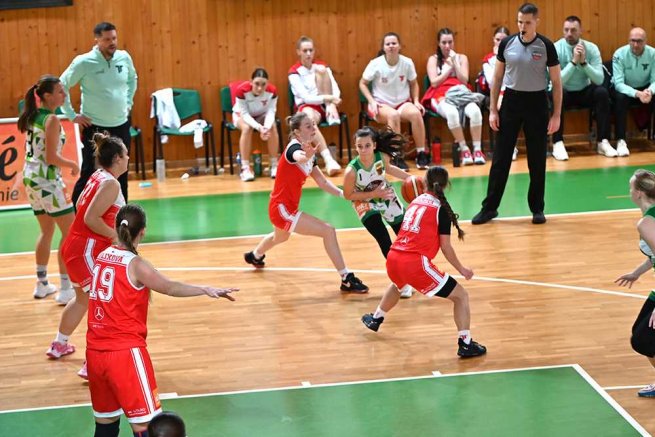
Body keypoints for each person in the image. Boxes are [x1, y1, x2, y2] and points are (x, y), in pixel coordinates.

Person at [87, 204, 237, 437]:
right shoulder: (136, 265)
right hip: (125, 355)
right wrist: (205, 289)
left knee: (105, 425)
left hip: (95, 354)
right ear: (143, 232)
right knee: (145, 428)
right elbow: (169, 287)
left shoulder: (101, 256)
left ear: (116, 228)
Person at [361, 166, 486, 358]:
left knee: (399, 284)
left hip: (394, 257)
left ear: (424, 183)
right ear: (446, 185)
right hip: (414, 262)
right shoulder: (440, 208)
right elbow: (446, 247)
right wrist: (462, 269)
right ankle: (466, 343)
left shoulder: (415, 201)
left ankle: (376, 317)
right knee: (461, 296)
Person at [244, 112, 368, 293]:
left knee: (280, 237)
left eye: (314, 125)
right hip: (282, 209)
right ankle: (346, 278)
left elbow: (323, 182)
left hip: (282, 207)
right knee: (328, 231)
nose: (313, 129)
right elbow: (298, 157)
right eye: (308, 126)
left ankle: (255, 255)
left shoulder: (309, 152)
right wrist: (305, 156)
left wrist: (346, 195)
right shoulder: (293, 149)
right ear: (297, 132)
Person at [46, 133, 128, 381]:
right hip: (87, 251)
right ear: (116, 158)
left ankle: (60, 344)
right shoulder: (111, 184)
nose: (128, 159)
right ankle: (90, 362)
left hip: (75, 246)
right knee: (104, 304)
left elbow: (81, 209)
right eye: (125, 155)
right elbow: (91, 219)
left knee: (83, 300)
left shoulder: (97, 176)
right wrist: (116, 236)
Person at [472, 3, 561, 226]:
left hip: (537, 103)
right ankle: (489, 208)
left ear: (536, 22)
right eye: (520, 22)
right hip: (511, 102)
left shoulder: (546, 46)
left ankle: (537, 208)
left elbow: (557, 83)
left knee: (537, 158)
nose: (523, 26)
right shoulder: (507, 44)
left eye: (527, 22)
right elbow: (497, 79)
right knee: (501, 158)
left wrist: (556, 115)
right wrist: (493, 109)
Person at [17, 76, 79, 304]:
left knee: (47, 231)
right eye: (60, 91)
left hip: (31, 178)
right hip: (47, 181)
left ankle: (42, 283)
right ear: (47, 96)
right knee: (70, 233)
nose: (64, 95)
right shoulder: (51, 119)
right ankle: (65, 287)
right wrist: (72, 164)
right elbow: (51, 157)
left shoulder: (34, 115)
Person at [60, 21, 137, 205]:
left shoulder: (124, 57)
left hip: (121, 124)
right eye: (107, 39)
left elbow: (132, 78)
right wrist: (71, 115)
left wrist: (128, 102)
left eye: (114, 38)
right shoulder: (84, 62)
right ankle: (77, 216)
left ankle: (120, 218)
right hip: (95, 127)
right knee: (90, 172)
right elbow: (62, 84)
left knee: (122, 172)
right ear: (97, 40)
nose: (112, 43)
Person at [343, 126, 413, 297]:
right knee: (383, 239)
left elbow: (389, 169)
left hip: (384, 194)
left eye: (367, 145)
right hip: (363, 201)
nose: (363, 150)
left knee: (404, 236)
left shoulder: (381, 157)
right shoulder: (351, 171)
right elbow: (348, 195)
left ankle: (412, 271)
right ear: (355, 147)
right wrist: (373, 194)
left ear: (374, 145)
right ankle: (401, 282)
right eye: (360, 146)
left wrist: (410, 178)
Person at [360, 32, 428, 171]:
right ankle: (397, 156)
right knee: (393, 115)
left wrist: (416, 100)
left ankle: (421, 153)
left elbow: (414, 83)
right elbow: (362, 83)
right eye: (388, 44)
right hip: (381, 103)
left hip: (402, 102)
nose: (391, 46)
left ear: (399, 46)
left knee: (416, 113)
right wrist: (371, 101)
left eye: (394, 43)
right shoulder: (375, 63)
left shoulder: (407, 62)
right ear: (384, 47)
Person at [615, 169, 655, 398]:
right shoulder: (650, 217)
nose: (629, 192)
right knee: (643, 338)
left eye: (631, 188)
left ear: (639, 193)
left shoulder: (647, 223)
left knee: (644, 339)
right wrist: (636, 273)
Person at [552, 15, 613, 160]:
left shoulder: (591, 48)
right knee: (555, 94)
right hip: (564, 91)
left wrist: (584, 63)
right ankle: (557, 142)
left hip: (584, 91)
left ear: (581, 32)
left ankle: (602, 142)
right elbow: (556, 81)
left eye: (573, 30)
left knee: (602, 93)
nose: (569, 34)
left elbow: (599, 79)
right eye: (566, 30)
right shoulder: (556, 48)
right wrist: (573, 62)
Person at [423, 28, 485, 166]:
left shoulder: (462, 58)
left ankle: (477, 150)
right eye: (444, 42)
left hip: (461, 92)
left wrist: (455, 64)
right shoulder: (433, 60)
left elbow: (464, 79)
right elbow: (433, 82)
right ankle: (464, 149)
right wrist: (449, 69)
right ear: (438, 44)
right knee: (452, 114)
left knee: (475, 112)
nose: (447, 46)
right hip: (440, 95)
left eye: (450, 42)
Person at [288, 36, 344, 176]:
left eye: (310, 50)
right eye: (305, 50)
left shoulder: (322, 66)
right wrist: (329, 98)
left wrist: (332, 102)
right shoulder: (294, 72)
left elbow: (335, 88)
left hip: (326, 105)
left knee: (322, 71)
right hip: (307, 106)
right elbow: (307, 98)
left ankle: (331, 112)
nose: (308, 54)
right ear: (298, 52)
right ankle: (328, 160)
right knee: (308, 119)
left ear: (314, 51)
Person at [611, 27, 655, 157]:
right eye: (633, 41)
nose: (636, 45)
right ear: (628, 41)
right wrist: (637, 93)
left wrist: (649, 91)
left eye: (639, 41)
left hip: (645, 88)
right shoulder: (619, 54)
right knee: (620, 98)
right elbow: (618, 84)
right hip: (625, 89)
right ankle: (621, 140)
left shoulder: (653, 54)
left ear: (645, 41)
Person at [233, 68, 280, 181]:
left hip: (262, 115)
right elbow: (244, 114)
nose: (260, 88)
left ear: (267, 83)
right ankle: (245, 168)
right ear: (251, 82)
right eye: (257, 84)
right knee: (246, 128)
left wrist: (266, 127)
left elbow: (271, 111)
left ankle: (274, 165)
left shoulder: (272, 91)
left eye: (263, 84)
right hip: (242, 115)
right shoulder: (241, 91)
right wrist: (259, 128)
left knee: (272, 126)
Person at [481, 26, 518, 161]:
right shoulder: (488, 59)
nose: (500, 43)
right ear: (493, 40)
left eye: (504, 40)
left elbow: (514, 78)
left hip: (514, 89)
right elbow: (492, 81)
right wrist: (499, 59)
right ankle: (509, 146)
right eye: (497, 40)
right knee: (503, 105)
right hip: (496, 92)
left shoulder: (515, 57)